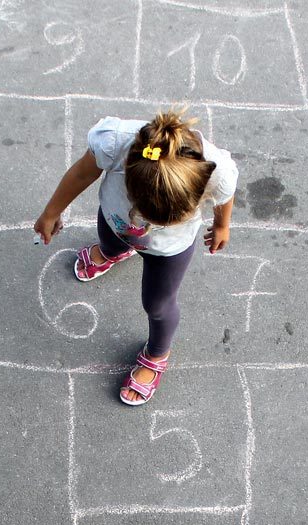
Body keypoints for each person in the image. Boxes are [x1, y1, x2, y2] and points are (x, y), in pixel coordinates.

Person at [33, 109, 239, 405]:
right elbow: (82, 172)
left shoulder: (214, 168)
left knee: (158, 304)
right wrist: (51, 211)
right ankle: (112, 252)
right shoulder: (115, 143)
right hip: (117, 222)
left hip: (170, 249)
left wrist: (221, 225)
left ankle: (157, 352)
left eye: (166, 218)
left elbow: (226, 192)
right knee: (110, 241)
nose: (150, 222)